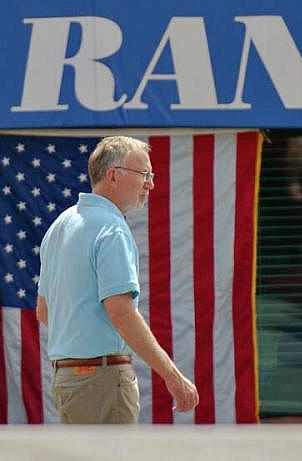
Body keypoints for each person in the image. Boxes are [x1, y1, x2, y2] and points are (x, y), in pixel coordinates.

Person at [35, 136, 199, 424]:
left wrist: (80, 347)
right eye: (144, 174)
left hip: (67, 380)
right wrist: (173, 376)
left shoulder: (60, 226)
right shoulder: (112, 230)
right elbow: (121, 312)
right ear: (113, 175)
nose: (151, 184)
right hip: (102, 379)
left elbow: (44, 311)